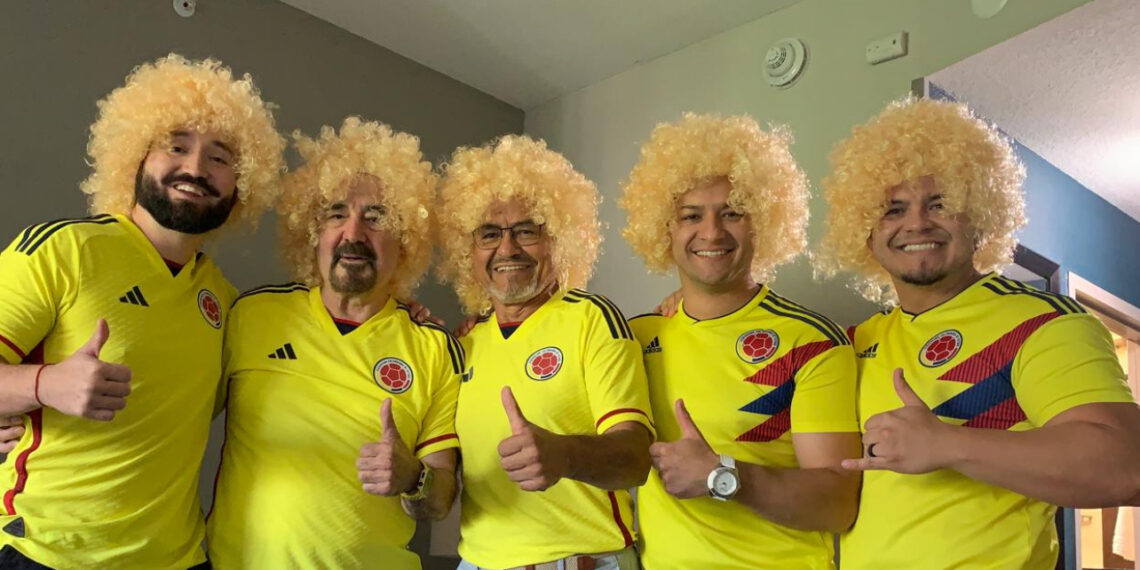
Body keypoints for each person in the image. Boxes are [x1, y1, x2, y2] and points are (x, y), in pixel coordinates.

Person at [816, 97, 1140, 568]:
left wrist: (946, 444)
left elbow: (1126, 466)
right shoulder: (857, 341)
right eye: (893, 209)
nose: (917, 223)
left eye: (941, 203)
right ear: (864, 230)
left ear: (980, 214)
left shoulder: (1044, 323)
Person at [0, 54, 284, 568]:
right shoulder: (64, 248)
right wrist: (44, 385)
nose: (195, 169)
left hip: (176, 558)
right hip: (49, 554)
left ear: (242, 184)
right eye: (176, 146)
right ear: (134, 156)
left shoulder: (224, 299)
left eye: (220, 158)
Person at [205, 118, 461, 569]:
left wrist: (412, 477)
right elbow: (174, 415)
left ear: (405, 241)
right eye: (336, 213)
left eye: (376, 217)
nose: (354, 233)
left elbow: (440, 500)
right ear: (313, 231)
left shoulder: (434, 348)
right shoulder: (250, 315)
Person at [621, 113, 860, 569]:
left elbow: (838, 503)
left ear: (763, 222)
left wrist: (720, 475)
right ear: (664, 229)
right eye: (691, 215)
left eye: (732, 212)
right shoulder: (637, 336)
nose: (711, 232)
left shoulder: (810, 340)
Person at [435, 135, 654, 570]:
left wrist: (565, 455)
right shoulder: (461, 345)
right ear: (469, 250)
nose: (508, 248)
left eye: (527, 230)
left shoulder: (593, 318)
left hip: (581, 561)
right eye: (489, 233)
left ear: (559, 238)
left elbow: (636, 458)